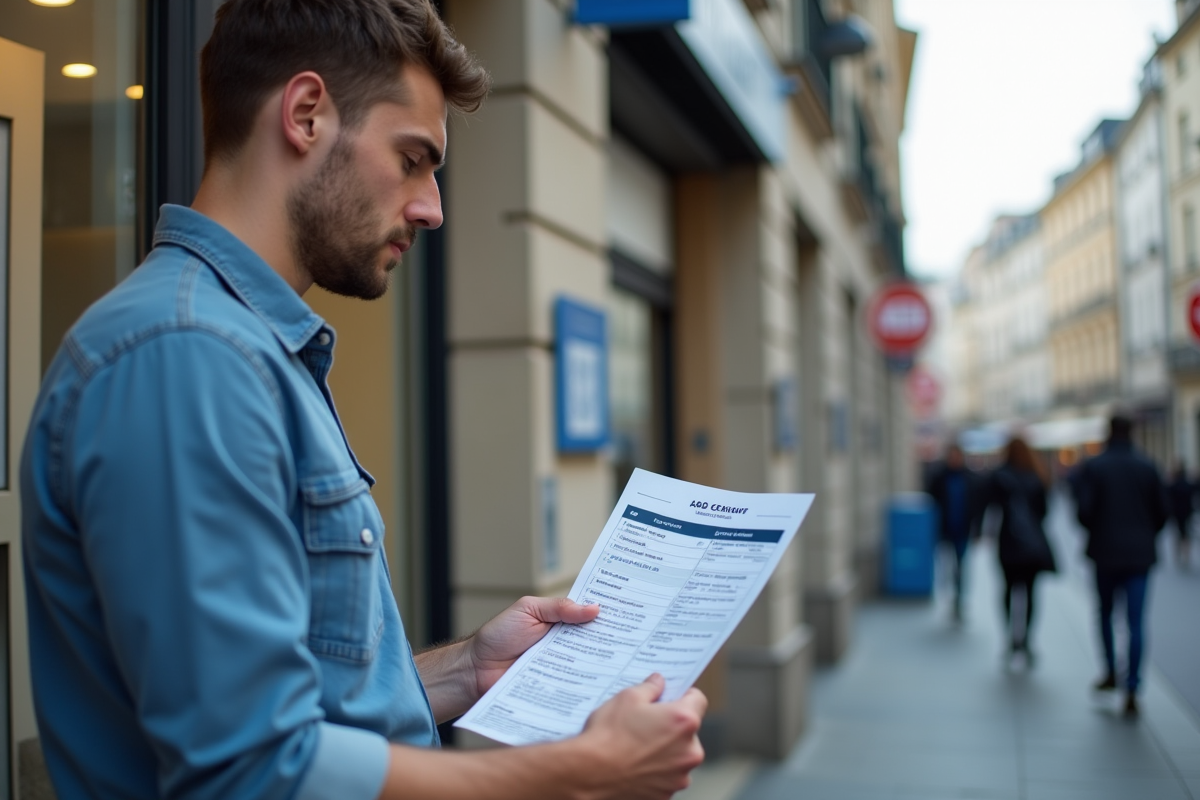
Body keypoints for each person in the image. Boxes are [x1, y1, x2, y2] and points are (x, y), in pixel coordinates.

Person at [19, 2, 706, 798]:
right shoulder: (188, 358)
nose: (432, 207)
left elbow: (298, 701)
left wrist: (466, 669)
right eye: (412, 158)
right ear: (306, 114)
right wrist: (585, 768)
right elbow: (249, 768)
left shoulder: (246, 351)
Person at [1074, 415, 1168, 718]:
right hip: (1140, 555)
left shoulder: (1095, 467)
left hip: (1105, 552)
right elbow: (1162, 513)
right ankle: (1133, 686)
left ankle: (1110, 670)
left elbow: (1084, 512)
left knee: (1105, 614)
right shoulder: (1147, 466)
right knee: (1136, 621)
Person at [982, 436, 1056, 665]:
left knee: (1007, 590)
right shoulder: (1037, 474)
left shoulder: (1000, 475)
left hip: (1008, 541)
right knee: (1031, 593)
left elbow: (991, 505)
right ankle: (1026, 640)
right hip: (1032, 543)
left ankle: (1009, 638)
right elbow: (1044, 511)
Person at [925, 443, 981, 621]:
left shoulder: (969, 478)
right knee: (945, 565)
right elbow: (931, 501)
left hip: (962, 530)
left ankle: (959, 599)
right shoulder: (940, 477)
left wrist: (977, 528)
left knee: (961, 566)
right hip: (944, 529)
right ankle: (948, 595)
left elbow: (976, 506)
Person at [1168, 461, 1195, 567]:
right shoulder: (1188, 485)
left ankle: (1178, 555)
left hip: (1176, 512)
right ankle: (1186, 556)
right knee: (1186, 534)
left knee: (1178, 534)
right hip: (1187, 512)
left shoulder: (1173, 485)